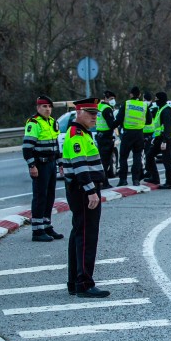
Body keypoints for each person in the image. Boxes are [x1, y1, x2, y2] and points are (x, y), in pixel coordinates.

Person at [61, 97, 110, 298]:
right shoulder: (76, 135)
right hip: (83, 191)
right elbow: (80, 166)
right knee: (86, 236)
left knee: (79, 234)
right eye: (90, 113)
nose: (94, 117)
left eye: (96, 114)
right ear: (78, 112)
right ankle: (84, 283)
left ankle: (75, 281)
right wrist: (91, 191)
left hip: (82, 190)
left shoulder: (83, 133)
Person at [23, 95, 64, 242]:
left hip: (52, 163)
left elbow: (56, 145)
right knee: (40, 196)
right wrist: (32, 165)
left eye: (49, 106)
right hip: (40, 164)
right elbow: (27, 147)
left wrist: (60, 163)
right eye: (44, 106)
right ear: (38, 108)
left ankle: (46, 225)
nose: (47, 109)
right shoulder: (34, 123)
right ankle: (37, 230)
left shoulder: (53, 122)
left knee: (50, 196)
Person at [115, 86, 146, 186]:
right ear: (140, 95)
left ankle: (123, 180)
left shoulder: (126, 104)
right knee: (137, 156)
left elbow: (119, 119)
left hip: (128, 133)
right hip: (139, 134)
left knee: (123, 157)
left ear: (131, 94)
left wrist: (112, 126)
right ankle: (136, 180)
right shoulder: (143, 106)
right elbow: (149, 120)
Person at [145, 91, 171, 189]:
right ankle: (155, 178)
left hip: (165, 139)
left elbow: (167, 127)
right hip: (159, 138)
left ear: (161, 99)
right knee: (149, 156)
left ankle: (169, 183)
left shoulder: (167, 110)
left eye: (156, 99)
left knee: (167, 161)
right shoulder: (160, 109)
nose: (155, 101)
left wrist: (165, 141)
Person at [96, 90, 118, 183]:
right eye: (111, 99)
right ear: (106, 99)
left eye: (113, 99)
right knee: (105, 162)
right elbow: (111, 125)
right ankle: (104, 182)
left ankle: (104, 181)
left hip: (100, 136)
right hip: (106, 137)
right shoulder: (107, 109)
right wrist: (118, 121)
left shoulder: (99, 107)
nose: (113, 100)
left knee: (102, 160)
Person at [142, 90, 158, 173]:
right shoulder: (143, 108)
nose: (145, 102)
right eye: (144, 100)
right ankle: (146, 169)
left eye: (146, 100)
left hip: (151, 133)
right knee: (144, 153)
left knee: (149, 153)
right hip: (142, 132)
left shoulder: (154, 108)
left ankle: (150, 170)